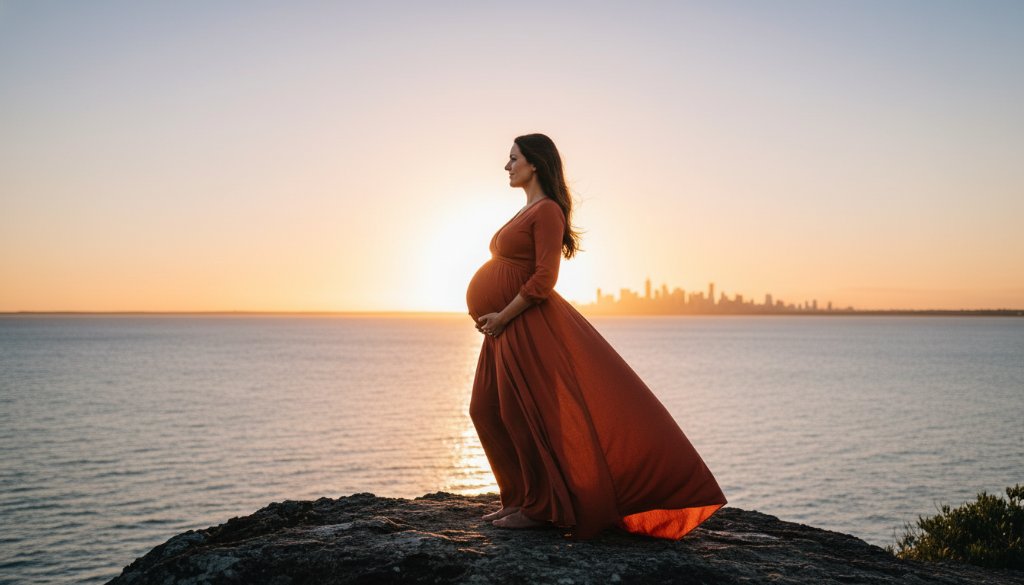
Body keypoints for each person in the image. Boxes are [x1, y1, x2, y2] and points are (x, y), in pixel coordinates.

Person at [465, 133, 726, 539]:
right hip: (500, 328)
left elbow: (544, 279)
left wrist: (504, 315)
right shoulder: (524, 212)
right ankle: (515, 498)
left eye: (513, 158)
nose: (507, 166)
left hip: (522, 323)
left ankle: (537, 508)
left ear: (534, 163)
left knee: (521, 414)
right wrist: (492, 317)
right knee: (485, 409)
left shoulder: (547, 211)